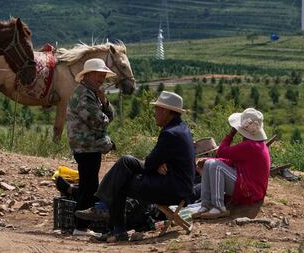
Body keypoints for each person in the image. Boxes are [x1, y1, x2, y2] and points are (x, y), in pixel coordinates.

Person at [75, 90, 195, 243]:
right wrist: (157, 164)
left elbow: (150, 162)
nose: (155, 113)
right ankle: (105, 210)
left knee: (122, 180)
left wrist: (156, 164)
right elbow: (155, 162)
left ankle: (113, 224)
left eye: (157, 110)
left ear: (166, 111)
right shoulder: (180, 128)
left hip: (173, 189)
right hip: (177, 184)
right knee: (126, 163)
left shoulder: (170, 134)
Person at [64, 58, 116, 237]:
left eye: (103, 76)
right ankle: (81, 227)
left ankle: (81, 225)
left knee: (89, 184)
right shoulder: (85, 95)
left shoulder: (90, 93)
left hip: (89, 146)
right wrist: (105, 113)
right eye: (99, 75)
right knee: (89, 185)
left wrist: (105, 104)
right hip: (86, 147)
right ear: (88, 75)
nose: (102, 79)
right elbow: (98, 122)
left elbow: (106, 117)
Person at [195, 107, 271, 219]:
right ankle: (206, 205)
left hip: (250, 191)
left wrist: (231, 134)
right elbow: (233, 161)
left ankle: (219, 207)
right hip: (252, 188)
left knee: (216, 166)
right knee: (209, 163)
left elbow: (221, 151)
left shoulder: (250, 146)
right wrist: (210, 161)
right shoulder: (256, 144)